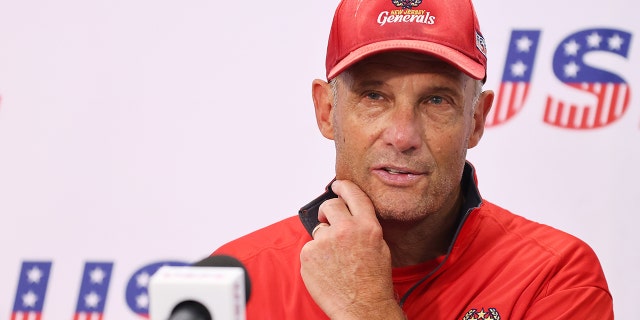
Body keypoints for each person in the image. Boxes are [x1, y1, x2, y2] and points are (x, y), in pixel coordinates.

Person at [214, 0, 614, 318]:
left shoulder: (555, 278)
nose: (403, 136)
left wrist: (365, 308)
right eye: (374, 96)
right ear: (326, 111)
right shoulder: (233, 282)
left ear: (476, 120)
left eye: (436, 100)